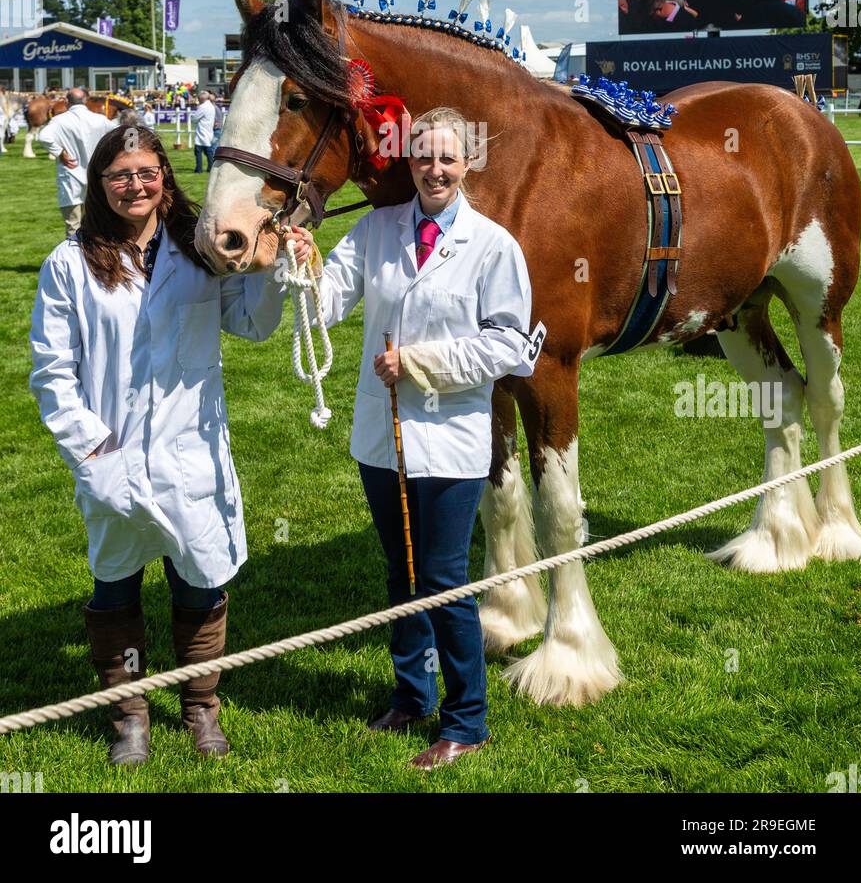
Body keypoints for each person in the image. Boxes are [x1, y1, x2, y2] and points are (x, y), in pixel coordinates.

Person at [29, 124, 290, 766]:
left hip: (191, 452)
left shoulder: (197, 249)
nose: (134, 186)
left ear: (164, 178)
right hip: (111, 452)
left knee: (199, 586)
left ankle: (201, 711)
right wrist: (91, 450)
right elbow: (52, 371)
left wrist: (274, 262)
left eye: (146, 172)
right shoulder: (70, 263)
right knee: (115, 589)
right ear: (99, 185)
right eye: (119, 176)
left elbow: (252, 322)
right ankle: (130, 719)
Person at [290, 106, 537, 771]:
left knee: (445, 579)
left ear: (467, 164)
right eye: (424, 157)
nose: (435, 169)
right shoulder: (375, 231)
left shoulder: (493, 246)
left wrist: (423, 364)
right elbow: (326, 303)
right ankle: (410, 693)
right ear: (410, 161)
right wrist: (306, 263)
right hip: (383, 437)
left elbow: (512, 346)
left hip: (453, 439)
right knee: (401, 574)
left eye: (448, 158)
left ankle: (466, 719)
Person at [36, 88, 114, 239]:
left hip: (70, 177)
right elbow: (120, 133)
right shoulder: (100, 119)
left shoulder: (59, 120)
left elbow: (43, 137)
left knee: (73, 226)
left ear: (66, 102)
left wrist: (59, 152)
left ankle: (76, 260)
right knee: (97, 224)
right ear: (86, 100)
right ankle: (98, 259)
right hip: (96, 177)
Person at [190, 91, 216, 173]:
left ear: (201, 99)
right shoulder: (211, 106)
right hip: (209, 131)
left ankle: (199, 169)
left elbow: (194, 119)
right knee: (208, 151)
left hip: (202, 132)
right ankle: (210, 167)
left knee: (198, 152)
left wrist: (192, 116)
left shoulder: (203, 107)